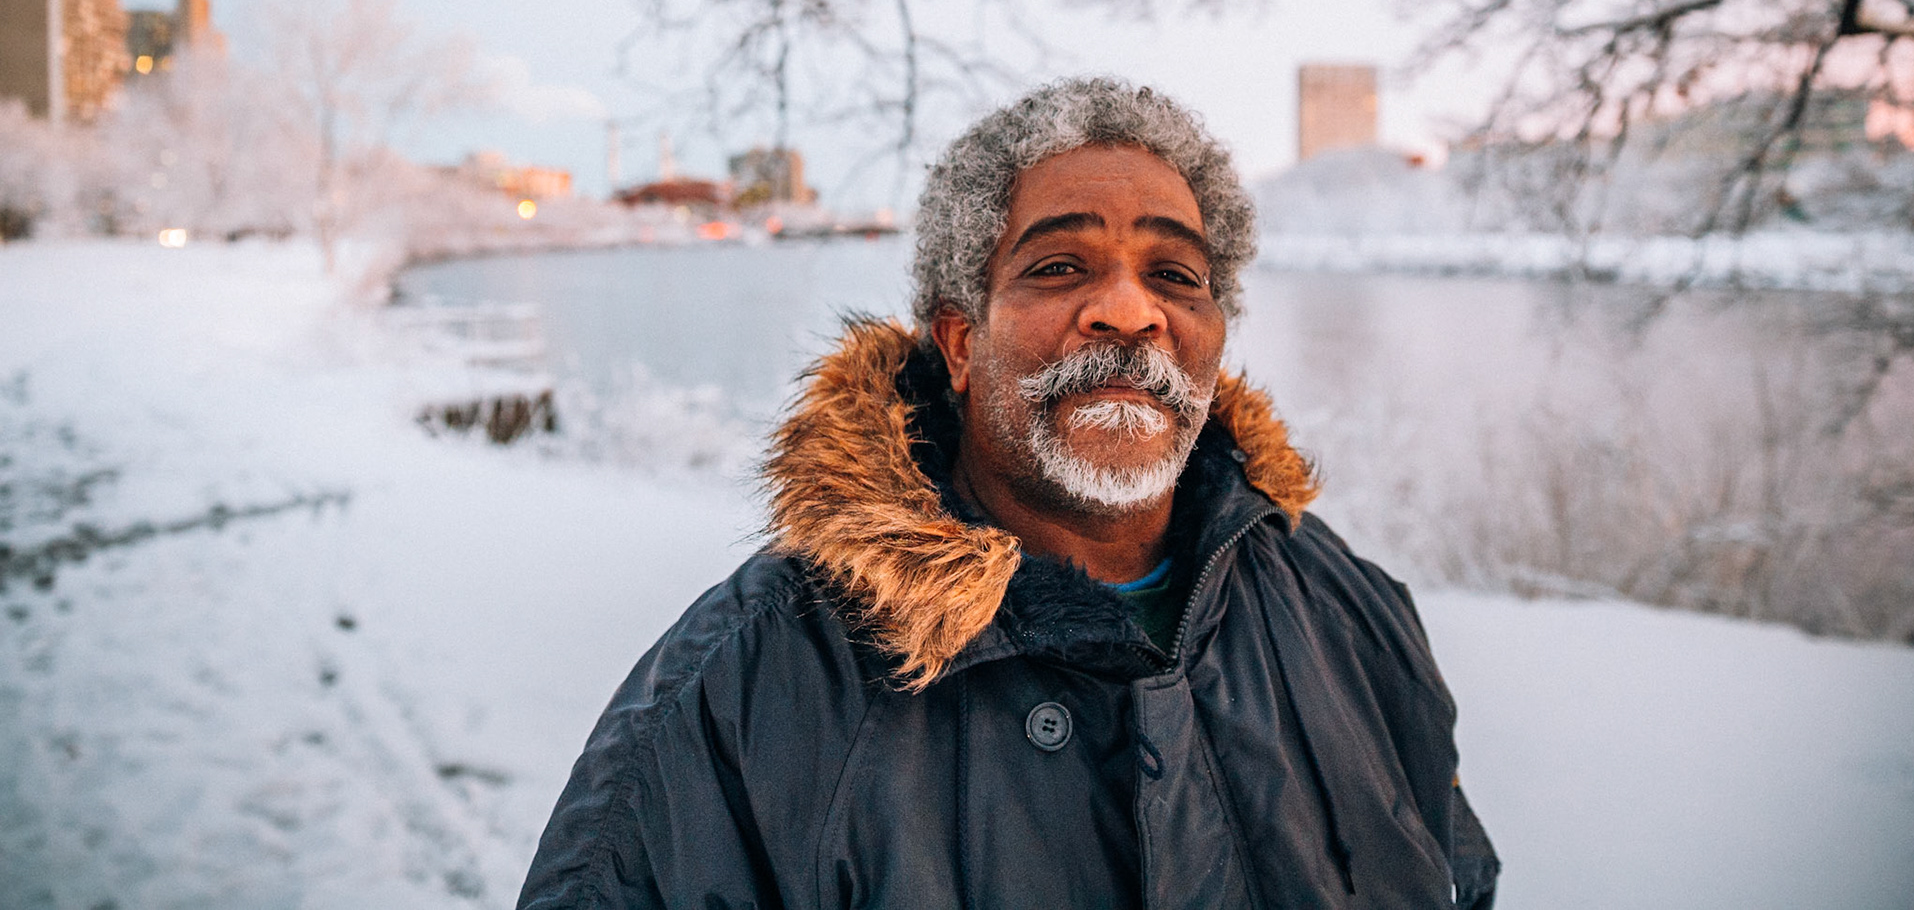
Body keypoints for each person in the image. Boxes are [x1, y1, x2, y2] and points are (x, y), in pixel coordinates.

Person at [519, 78, 1499, 909]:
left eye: (1175, 273)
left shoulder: (1346, 608)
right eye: (1061, 265)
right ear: (958, 341)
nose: (1129, 309)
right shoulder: (744, 693)